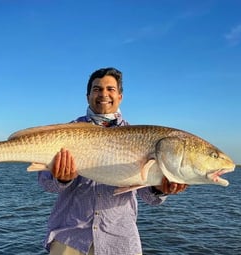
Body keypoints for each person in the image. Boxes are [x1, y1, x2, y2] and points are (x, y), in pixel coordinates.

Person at [38, 67, 188, 255]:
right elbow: (46, 183)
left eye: (111, 89)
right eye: (97, 89)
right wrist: (61, 180)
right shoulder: (66, 132)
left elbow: (148, 198)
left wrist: (160, 188)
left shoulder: (140, 137)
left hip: (119, 240)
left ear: (120, 96)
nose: (104, 94)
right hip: (69, 237)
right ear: (87, 96)